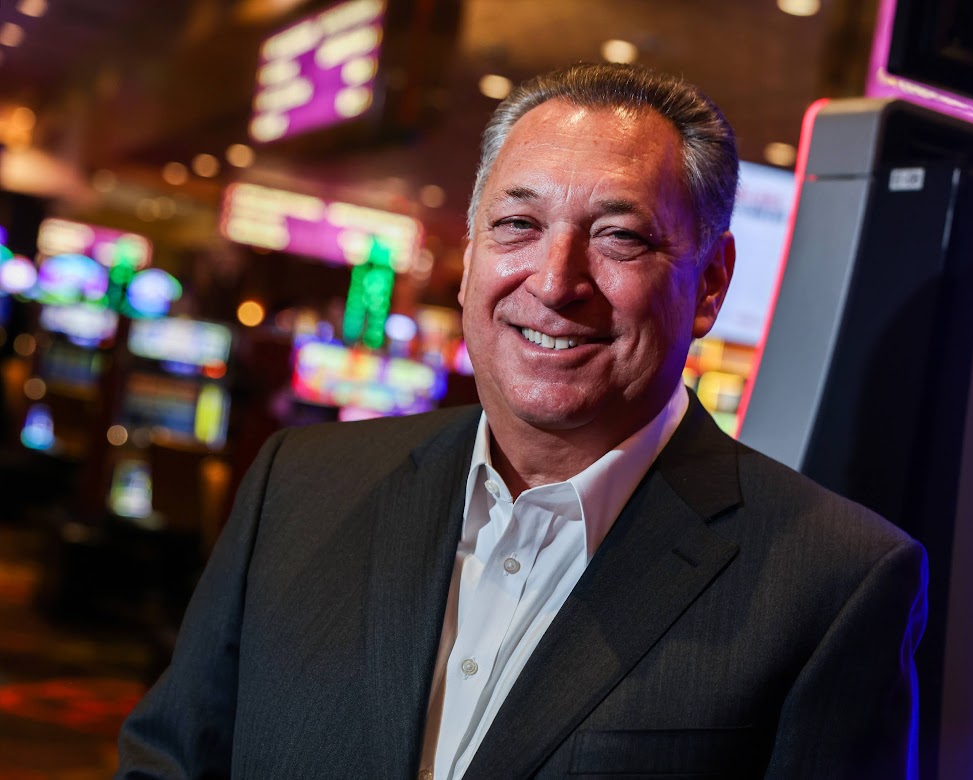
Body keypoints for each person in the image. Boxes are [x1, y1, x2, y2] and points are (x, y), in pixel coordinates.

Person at [117, 63, 928, 779]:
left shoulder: (834, 582)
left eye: (619, 236)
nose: (555, 280)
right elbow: (174, 762)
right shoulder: (299, 484)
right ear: (471, 257)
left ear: (711, 284)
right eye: (518, 225)